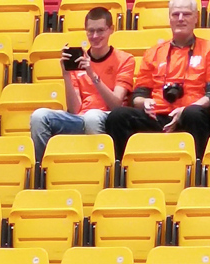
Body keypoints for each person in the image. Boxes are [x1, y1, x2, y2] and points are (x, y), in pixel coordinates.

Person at [104, 0, 210, 159]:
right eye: (175, 14)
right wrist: (144, 103)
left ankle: (198, 171)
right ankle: (121, 170)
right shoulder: (154, 52)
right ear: (169, 18)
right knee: (118, 116)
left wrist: (184, 110)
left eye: (186, 14)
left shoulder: (208, 49)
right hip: (157, 116)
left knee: (193, 114)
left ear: (196, 17)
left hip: (189, 115)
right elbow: (138, 95)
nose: (180, 18)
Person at [28, 7, 136, 162]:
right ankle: (42, 171)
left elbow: (116, 104)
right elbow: (74, 109)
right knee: (39, 116)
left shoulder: (125, 59)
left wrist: (92, 74)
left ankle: (101, 166)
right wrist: (66, 74)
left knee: (92, 117)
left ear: (111, 30)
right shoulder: (78, 61)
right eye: (90, 31)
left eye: (100, 31)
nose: (95, 36)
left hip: (107, 118)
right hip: (80, 118)